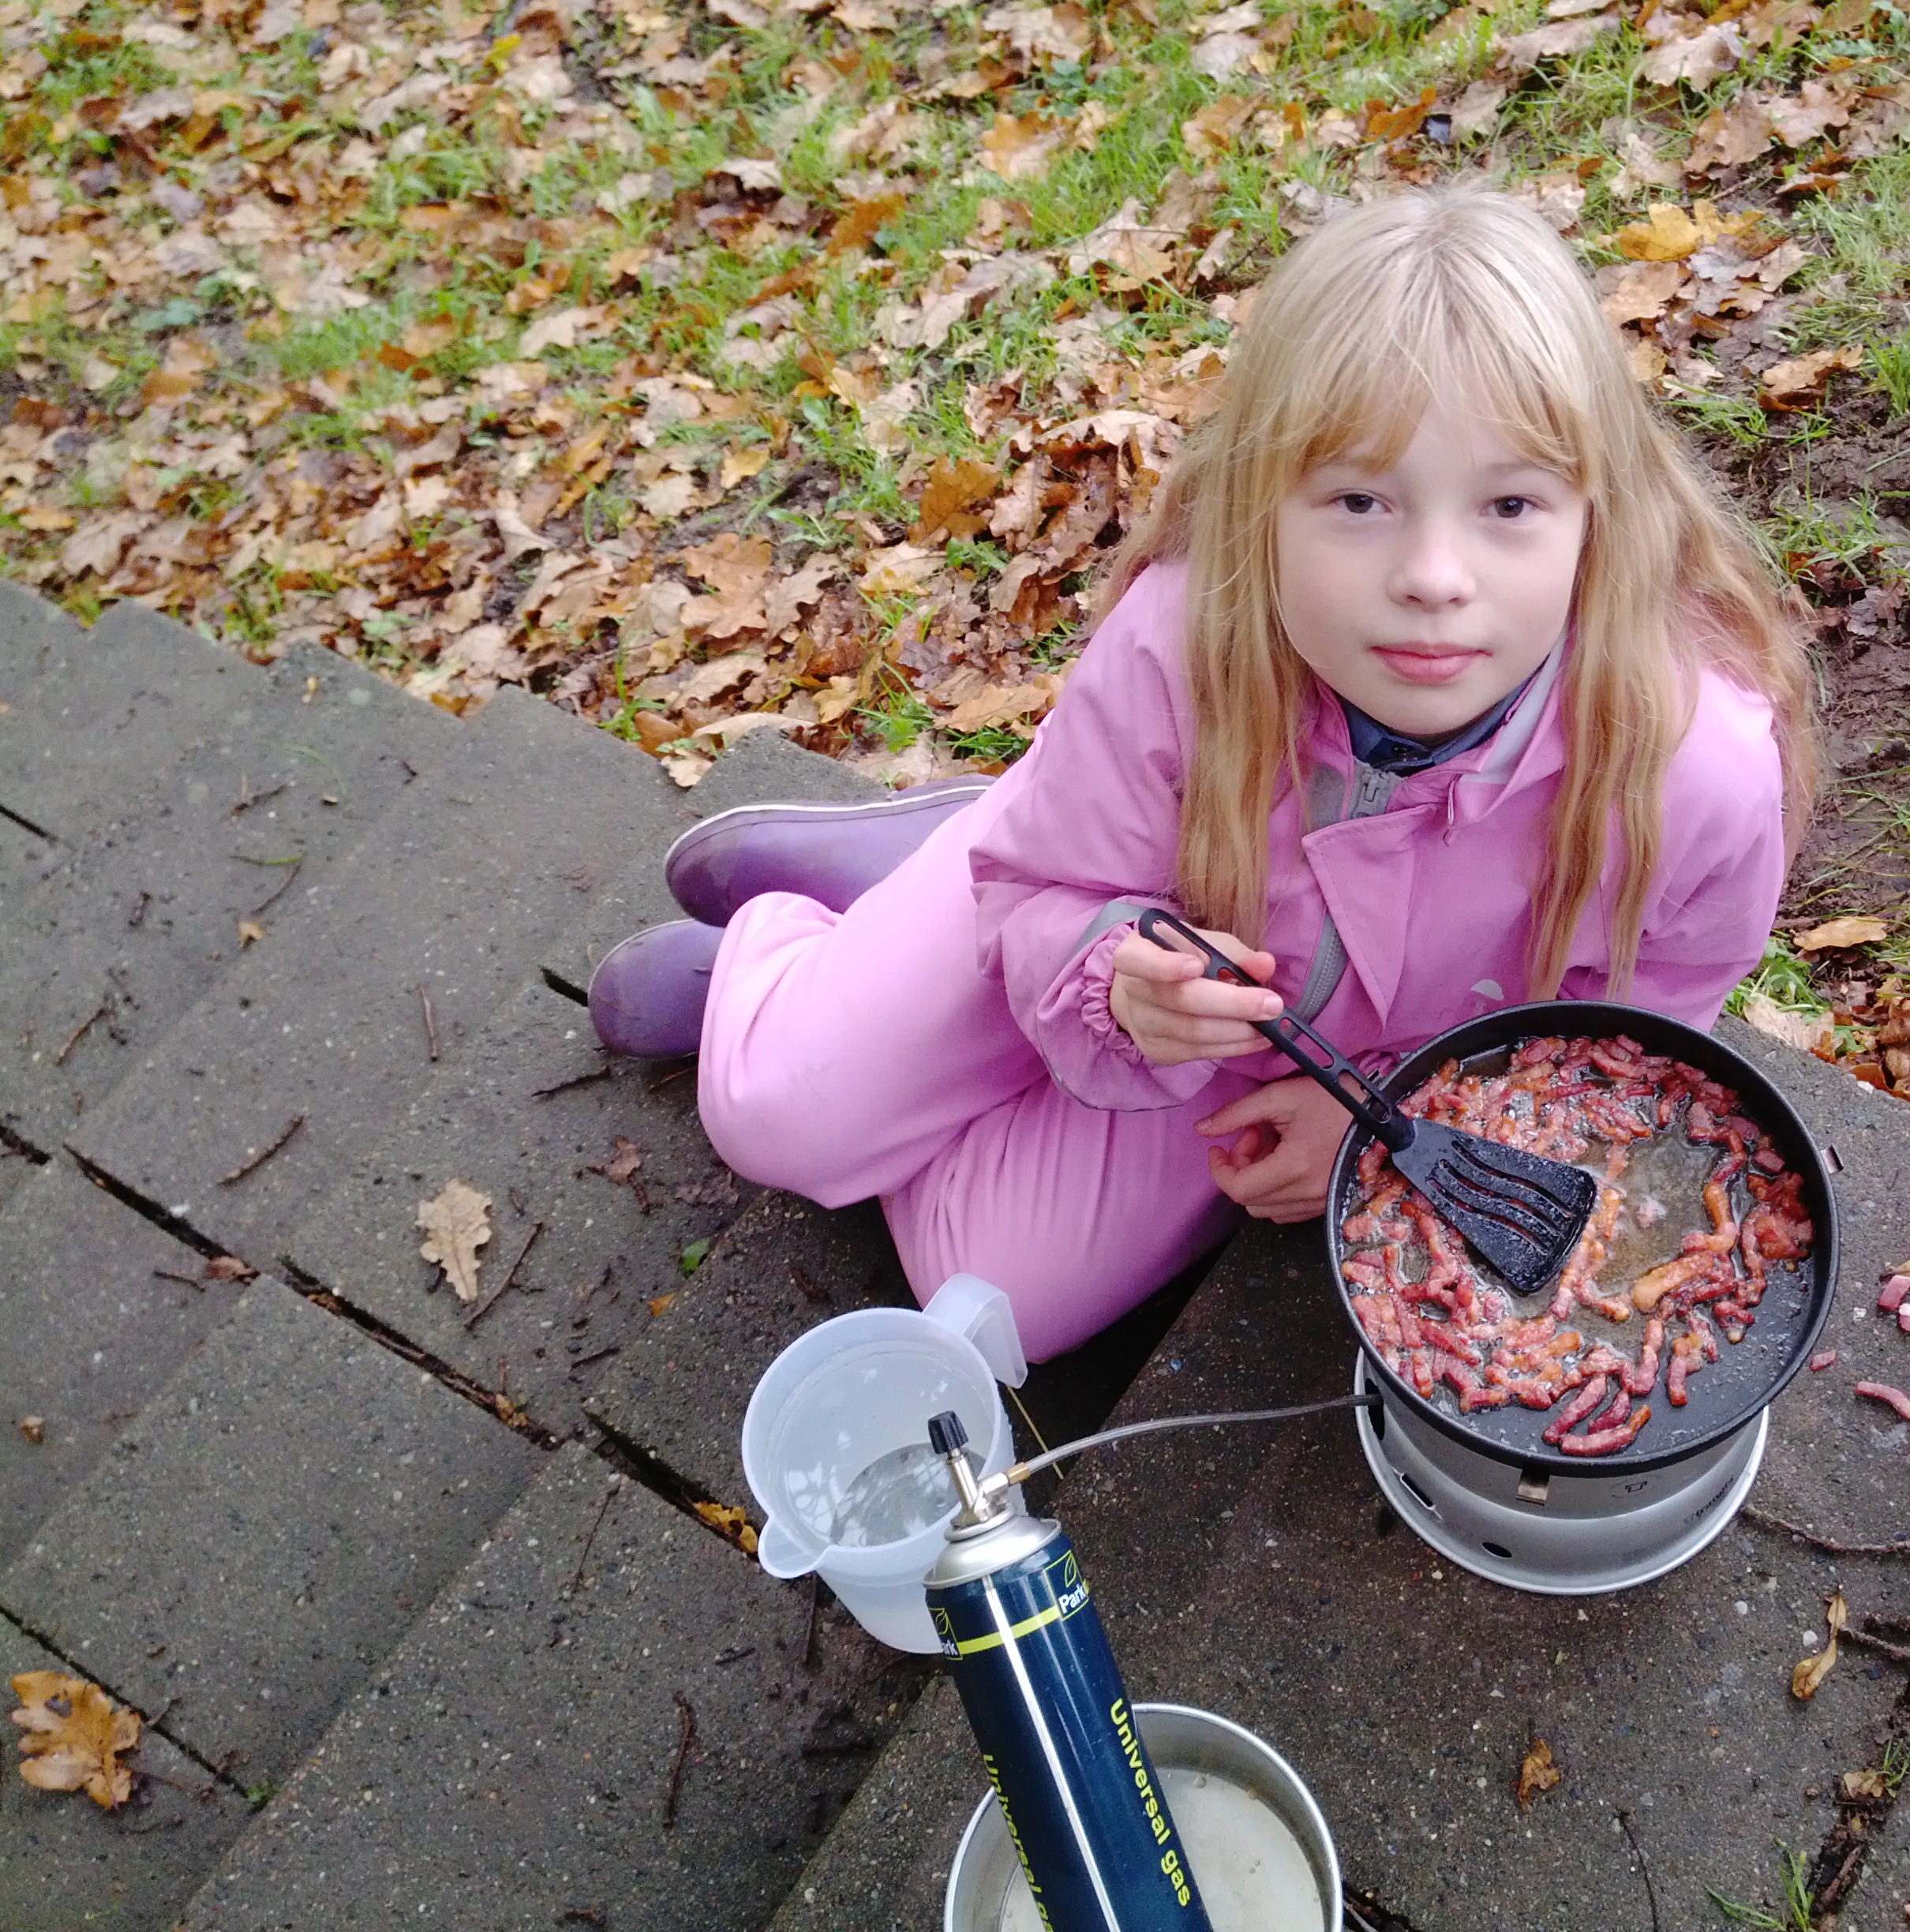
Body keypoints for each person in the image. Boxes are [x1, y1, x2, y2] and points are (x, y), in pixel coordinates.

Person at [588, 185, 1818, 1361]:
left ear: (1599, 511)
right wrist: (1110, 980)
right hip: (1103, 896)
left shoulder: (1690, 768)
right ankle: (803, 956)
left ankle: (896, 924)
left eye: (1508, 507)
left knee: (989, 1298)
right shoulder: (1184, 645)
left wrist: (1397, 1114)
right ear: (1261, 502)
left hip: (1275, 1050)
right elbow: (1053, 894)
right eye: (1360, 501)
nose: (1435, 579)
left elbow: (1645, 1022)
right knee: (781, 1115)